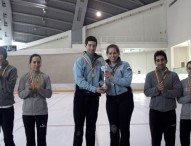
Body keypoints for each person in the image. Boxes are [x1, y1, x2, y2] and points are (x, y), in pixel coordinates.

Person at [144, 50, 182, 146]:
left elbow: (178, 91)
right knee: (155, 141)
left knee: (170, 141)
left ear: (166, 61)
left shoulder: (173, 75)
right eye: (158, 60)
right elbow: (146, 91)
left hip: (169, 113)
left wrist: (166, 92)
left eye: (162, 60)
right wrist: (157, 89)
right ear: (155, 62)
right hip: (155, 113)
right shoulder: (150, 75)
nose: (160, 62)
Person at [73, 36, 106, 146]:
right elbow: (80, 81)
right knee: (79, 130)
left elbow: (101, 79)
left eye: (94, 45)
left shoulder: (98, 62)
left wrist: (103, 85)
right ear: (85, 46)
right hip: (80, 98)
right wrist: (94, 89)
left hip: (93, 99)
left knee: (91, 128)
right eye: (90, 45)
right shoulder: (79, 61)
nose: (92, 48)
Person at [18, 54, 52, 146]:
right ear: (30, 64)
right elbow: (20, 95)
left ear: (41, 63)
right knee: (30, 140)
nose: (36, 64)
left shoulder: (45, 77)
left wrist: (39, 89)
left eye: (38, 62)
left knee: (42, 140)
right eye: (34, 62)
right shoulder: (24, 77)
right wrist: (28, 90)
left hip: (42, 113)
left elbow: (49, 94)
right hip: (27, 113)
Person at [104, 44, 134, 146]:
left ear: (118, 53)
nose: (113, 55)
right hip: (111, 100)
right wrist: (102, 85)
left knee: (124, 127)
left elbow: (127, 81)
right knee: (113, 127)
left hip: (125, 99)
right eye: (110, 53)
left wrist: (111, 78)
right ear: (107, 55)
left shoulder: (125, 65)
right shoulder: (104, 67)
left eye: (115, 53)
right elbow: (102, 81)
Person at [0, 47, 17, 146]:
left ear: (4, 57)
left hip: (7, 108)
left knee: (8, 137)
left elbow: (10, 88)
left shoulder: (12, 69)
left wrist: (1, 78)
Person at [177, 61, 191, 146]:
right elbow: (179, 100)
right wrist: (189, 98)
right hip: (185, 117)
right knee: (184, 141)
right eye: (189, 68)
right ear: (187, 70)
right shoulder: (182, 83)